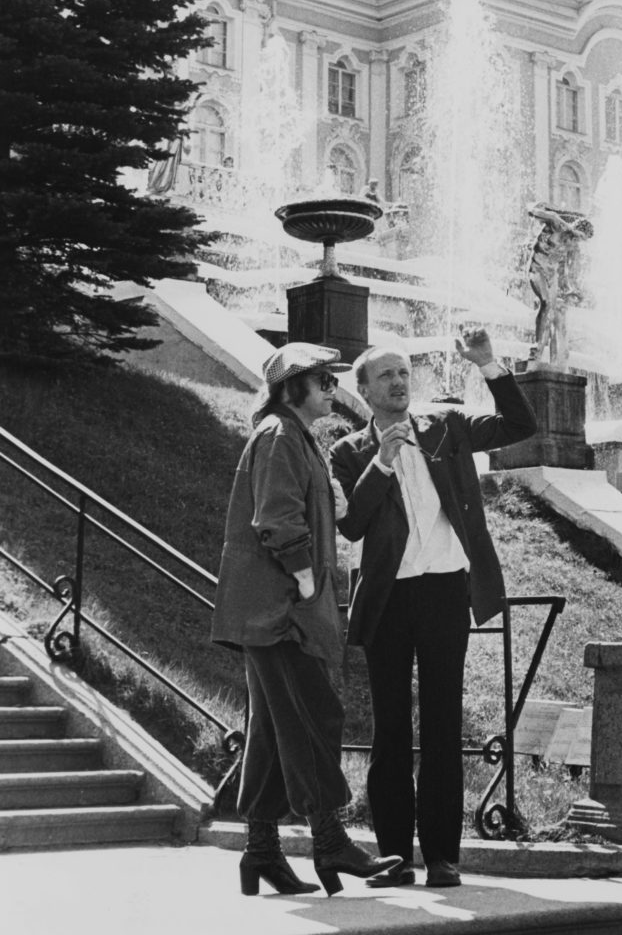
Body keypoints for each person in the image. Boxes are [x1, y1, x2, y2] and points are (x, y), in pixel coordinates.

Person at [331, 328, 537, 889]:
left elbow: (521, 427)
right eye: (386, 376)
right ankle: (394, 858)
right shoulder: (349, 452)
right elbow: (350, 524)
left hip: (447, 589)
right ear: (365, 391)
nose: (399, 383)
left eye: (403, 373)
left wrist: (490, 365)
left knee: (443, 724)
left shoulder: (444, 426)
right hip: (388, 599)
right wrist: (383, 460)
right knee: (390, 729)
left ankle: (444, 857)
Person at [211, 342, 401, 897]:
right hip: (282, 612)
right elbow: (274, 517)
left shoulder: (298, 438)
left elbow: (331, 512)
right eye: (320, 380)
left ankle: (261, 852)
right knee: (315, 715)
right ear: (293, 388)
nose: (330, 388)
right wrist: (304, 575)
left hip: (281, 612)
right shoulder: (277, 436)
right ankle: (329, 841)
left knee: (273, 731)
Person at [526, 201, 594, 367]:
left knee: (557, 310)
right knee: (546, 303)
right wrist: (536, 208)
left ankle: (557, 356)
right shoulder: (556, 223)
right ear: (575, 229)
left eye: (581, 240)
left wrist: (572, 287)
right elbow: (532, 211)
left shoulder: (572, 245)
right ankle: (537, 346)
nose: (577, 241)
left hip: (552, 274)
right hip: (537, 267)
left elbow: (568, 268)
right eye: (578, 236)